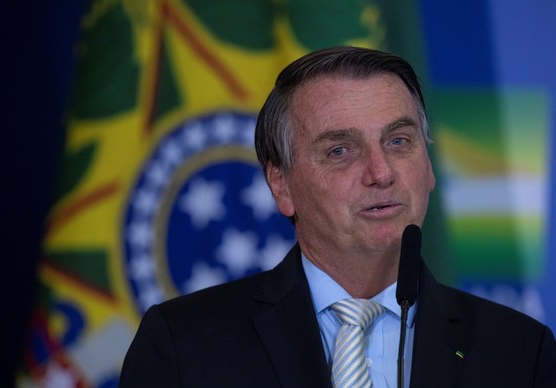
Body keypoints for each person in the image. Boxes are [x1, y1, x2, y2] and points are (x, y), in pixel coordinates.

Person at [119, 46, 556, 387]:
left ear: (429, 166)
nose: (381, 173)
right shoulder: (184, 344)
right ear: (281, 185)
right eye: (340, 151)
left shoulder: (519, 349)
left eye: (399, 141)